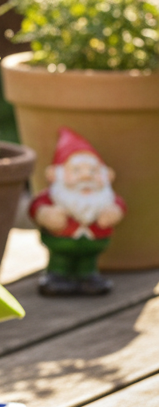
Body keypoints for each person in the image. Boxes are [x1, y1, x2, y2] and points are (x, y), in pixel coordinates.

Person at [29, 127, 125, 296]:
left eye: (93, 171)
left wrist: (113, 213)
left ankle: (88, 276)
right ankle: (57, 275)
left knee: (87, 263)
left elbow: (120, 207)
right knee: (61, 260)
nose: (86, 176)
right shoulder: (54, 197)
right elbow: (36, 207)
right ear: (54, 174)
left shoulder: (105, 198)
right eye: (76, 170)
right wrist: (46, 215)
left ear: (108, 175)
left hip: (92, 246)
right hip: (60, 244)